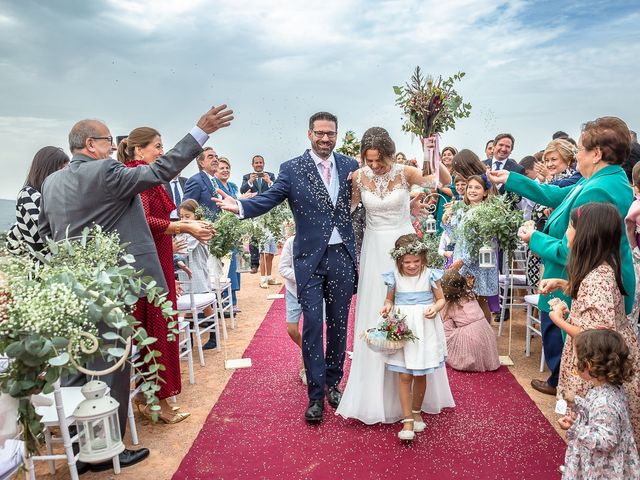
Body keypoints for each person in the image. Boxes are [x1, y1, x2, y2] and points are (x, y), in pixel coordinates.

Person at [38, 105, 232, 471]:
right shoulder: (107, 171)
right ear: (91, 144)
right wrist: (200, 131)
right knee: (112, 365)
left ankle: (79, 450)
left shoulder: (52, 182)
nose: (113, 148)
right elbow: (160, 170)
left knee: (77, 369)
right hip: (112, 287)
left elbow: (49, 235)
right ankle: (109, 448)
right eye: (109, 141)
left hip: (71, 288)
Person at [215, 112, 359, 424]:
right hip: (309, 259)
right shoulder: (292, 168)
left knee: (338, 325)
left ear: (337, 134)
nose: (325, 138)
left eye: (330, 133)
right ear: (309, 134)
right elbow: (269, 198)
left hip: (342, 256)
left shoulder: (350, 166)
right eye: (319, 133)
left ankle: (335, 383)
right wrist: (240, 206)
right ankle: (315, 396)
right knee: (311, 326)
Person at [489, 116, 636, 397]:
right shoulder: (599, 179)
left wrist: (535, 238)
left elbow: (574, 252)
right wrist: (512, 179)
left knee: (574, 349)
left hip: (577, 278)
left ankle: (569, 395)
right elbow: (554, 194)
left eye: (580, 149)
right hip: (575, 276)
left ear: (596, 154)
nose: (576, 154)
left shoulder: (599, 189)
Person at [336, 127, 454, 425]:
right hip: (375, 250)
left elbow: (443, 182)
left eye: (379, 160)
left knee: (411, 311)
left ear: (390, 153)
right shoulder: (358, 177)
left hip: (404, 248)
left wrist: (433, 149)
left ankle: (414, 393)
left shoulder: (406, 172)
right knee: (377, 313)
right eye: (369, 160)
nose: (374, 166)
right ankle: (373, 396)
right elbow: (345, 210)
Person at [118, 127, 216, 423]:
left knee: (157, 329)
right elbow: (144, 221)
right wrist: (183, 227)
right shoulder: (137, 174)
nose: (162, 152)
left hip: (158, 257)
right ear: (138, 151)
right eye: (157, 146)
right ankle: (155, 400)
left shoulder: (143, 174)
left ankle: (155, 397)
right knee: (156, 330)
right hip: (149, 265)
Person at [541, 203, 640, 444]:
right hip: (595, 365)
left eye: (570, 227)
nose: (566, 233)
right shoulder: (600, 269)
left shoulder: (597, 279)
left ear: (586, 235)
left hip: (596, 370)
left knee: (594, 435)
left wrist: (558, 320)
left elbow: (597, 335)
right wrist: (564, 284)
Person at [380, 234, 447, 441]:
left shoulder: (430, 275)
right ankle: (407, 419)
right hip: (403, 327)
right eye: (407, 262)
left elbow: (441, 299)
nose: (412, 266)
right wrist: (387, 307)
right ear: (399, 260)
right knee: (404, 375)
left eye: (416, 261)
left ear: (423, 259)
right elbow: (389, 300)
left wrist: (435, 309)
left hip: (425, 329)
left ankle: (417, 411)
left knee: (420, 373)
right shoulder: (394, 277)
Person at [558, 329, 640, 479]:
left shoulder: (606, 402)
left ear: (588, 365)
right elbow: (596, 411)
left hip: (601, 468)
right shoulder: (608, 387)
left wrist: (575, 428)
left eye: (575, 358)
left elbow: (606, 441)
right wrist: (577, 402)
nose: (573, 362)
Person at [443, 175, 499, 322]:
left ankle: (485, 336)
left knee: (481, 301)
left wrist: (463, 261)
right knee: (467, 301)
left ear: (485, 192)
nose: (472, 190)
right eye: (470, 187)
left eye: (477, 187)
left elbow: (482, 243)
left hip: (478, 265)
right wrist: (446, 221)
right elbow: (456, 237)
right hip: (462, 261)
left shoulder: (487, 212)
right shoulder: (464, 210)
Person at [527, 139, 581, 288]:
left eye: (554, 159)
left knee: (550, 292)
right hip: (541, 244)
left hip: (555, 246)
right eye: (547, 160)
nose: (549, 164)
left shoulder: (568, 180)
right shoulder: (554, 179)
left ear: (568, 159)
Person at [6, 146, 69, 256]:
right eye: (62, 169)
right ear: (48, 169)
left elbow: (12, 242)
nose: (67, 174)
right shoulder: (28, 194)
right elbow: (53, 232)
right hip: (45, 269)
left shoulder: (39, 197)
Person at [176, 199, 218, 350]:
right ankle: (189, 340)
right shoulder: (183, 231)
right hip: (184, 273)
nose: (184, 220)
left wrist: (174, 248)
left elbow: (183, 250)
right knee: (187, 309)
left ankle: (214, 336)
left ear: (196, 215)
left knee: (206, 306)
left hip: (198, 272)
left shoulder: (199, 230)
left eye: (187, 216)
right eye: (181, 217)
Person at [440, 269, 500, 372]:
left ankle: (461, 356)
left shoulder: (448, 304)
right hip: (485, 333)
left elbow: (444, 325)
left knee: (444, 324)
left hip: (470, 338)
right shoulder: (471, 295)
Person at [215, 157, 255, 307]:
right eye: (222, 168)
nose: (225, 170)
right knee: (227, 266)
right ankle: (227, 302)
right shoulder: (215, 186)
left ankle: (233, 299)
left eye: (227, 168)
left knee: (236, 265)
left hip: (235, 231)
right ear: (216, 171)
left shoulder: (232, 185)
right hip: (223, 232)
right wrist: (240, 199)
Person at [278, 234, 307, 385]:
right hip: (293, 290)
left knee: (313, 329)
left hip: (314, 291)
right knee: (292, 330)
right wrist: (303, 276)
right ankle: (306, 350)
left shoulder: (319, 237)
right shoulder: (291, 242)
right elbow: (282, 268)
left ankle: (306, 365)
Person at [240, 154, 276, 274]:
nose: (259, 165)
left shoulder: (270, 175)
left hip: (268, 211)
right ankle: (254, 264)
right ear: (253, 165)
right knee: (254, 237)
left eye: (261, 162)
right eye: (256, 163)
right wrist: (250, 181)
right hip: (253, 210)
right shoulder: (247, 177)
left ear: (263, 164)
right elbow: (242, 191)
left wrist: (269, 181)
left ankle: (267, 266)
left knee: (268, 236)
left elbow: (278, 189)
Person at [182, 147, 221, 220]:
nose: (215, 160)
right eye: (210, 157)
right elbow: (186, 208)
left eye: (216, 157)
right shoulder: (195, 181)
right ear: (201, 163)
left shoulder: (217, 181)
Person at [624, 161, 640, 331]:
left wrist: (634, 250)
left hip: (637, 258)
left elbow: (629, 229)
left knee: (635, 304)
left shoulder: (635, 207)